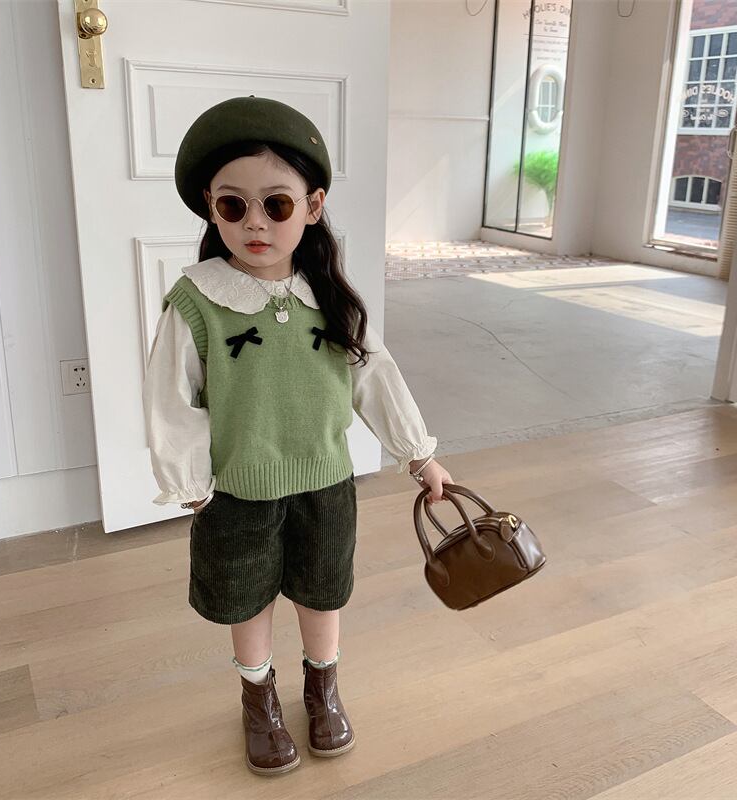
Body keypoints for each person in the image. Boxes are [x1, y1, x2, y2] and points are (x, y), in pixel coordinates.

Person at [141, 96, 454, 776]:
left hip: (325, 482)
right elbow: (171, 398)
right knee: (247, 599)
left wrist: (419, 454)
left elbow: (376, 376)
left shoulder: (330, 297)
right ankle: (258, 700)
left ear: (312, 207)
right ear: (211, 207)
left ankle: (322, 689)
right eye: (234, 206)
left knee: (322, 591)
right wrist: (189, 481)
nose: (254, 222)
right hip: (236, 491)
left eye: (276, 204)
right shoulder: (197, 301)